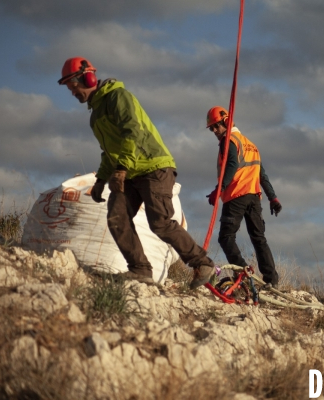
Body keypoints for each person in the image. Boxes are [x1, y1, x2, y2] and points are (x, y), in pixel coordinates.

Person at [58, 56, 214, 289]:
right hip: (130, 172)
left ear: (87, 77)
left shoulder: (118, 97)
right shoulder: (96, 115)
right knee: (116, 217)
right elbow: (108, 150)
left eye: (74, 86)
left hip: (154, 167)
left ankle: (203, 263)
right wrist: (101, 179)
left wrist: (122, 168)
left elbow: (133, 132)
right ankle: (140, 270)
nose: (73, 92)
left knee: (159, 222)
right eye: (70, 89)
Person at [205, 106, 282, 289]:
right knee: (259, 238)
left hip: (236, 195)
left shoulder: (229, 140)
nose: (214, 131)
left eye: (216, 126)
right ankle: (271, 280)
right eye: (211, 128)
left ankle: (242, 276)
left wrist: (219, 189)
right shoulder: (250, 144)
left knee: (226, 237)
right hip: (254, 197)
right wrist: (273, 197)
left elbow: (232, 164)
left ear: (226, 121)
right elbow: (261, 174)